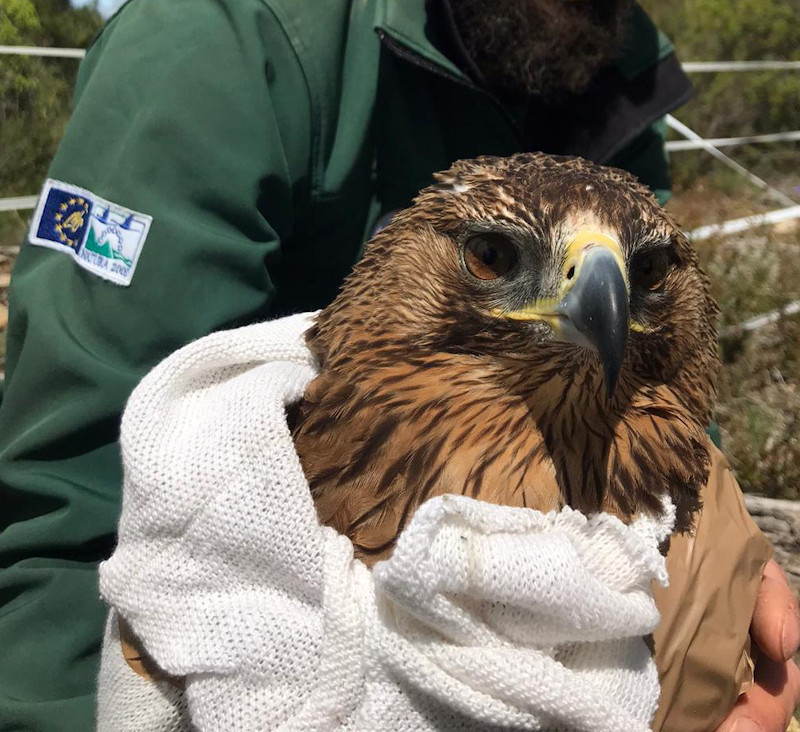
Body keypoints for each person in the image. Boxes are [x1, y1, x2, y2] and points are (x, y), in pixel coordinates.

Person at [0, 0, 797, 729]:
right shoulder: (224, 38)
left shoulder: (613, 49)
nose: (595, 294)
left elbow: (659, 373)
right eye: (491, 256)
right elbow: (68, 507)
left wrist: (713, 554)